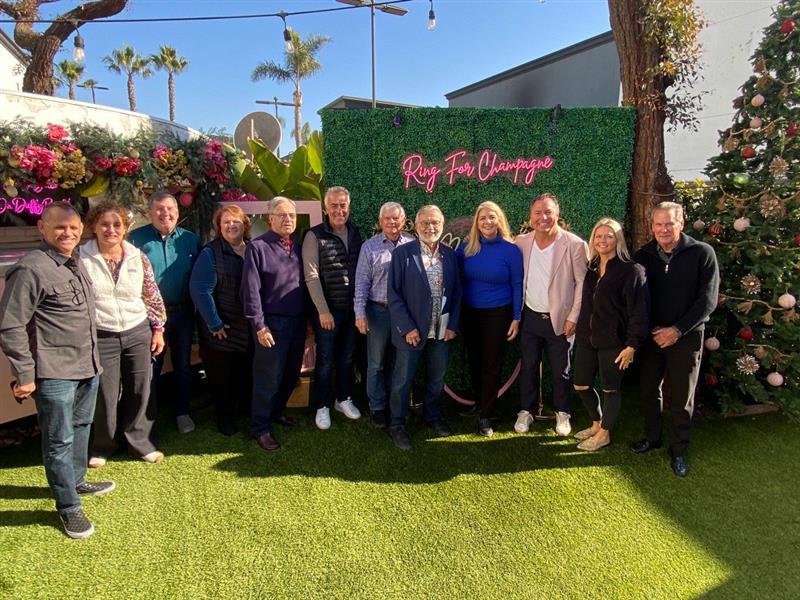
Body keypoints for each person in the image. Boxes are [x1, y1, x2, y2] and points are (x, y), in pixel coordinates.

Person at [0, 202, 114, 539]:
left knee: (80, 427)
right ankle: (68, 506)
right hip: (54, 373)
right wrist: (24, 374)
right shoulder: (30, 269)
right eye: (60, 227)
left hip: (87, 365)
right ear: (42, 228)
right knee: (58, 439)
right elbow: (11, 326)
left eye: (74, 228)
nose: (68, 233)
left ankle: (75, 481)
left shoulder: (74, 262)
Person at [631, 201, 719, 477]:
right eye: (658, 224)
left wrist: (677, 330)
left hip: (687, 336)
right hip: (653, 337)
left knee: (682, 396)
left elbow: (707, 300)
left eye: (669, 223)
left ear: (681, 223)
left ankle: (679, 450)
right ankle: (652, 437)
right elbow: (637, 297)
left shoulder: (702, 253)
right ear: (652, 226)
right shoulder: (643, 255)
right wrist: (652, 330)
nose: (663, 229)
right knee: (648, 390)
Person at [80, 202, 167, 468]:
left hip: (137, 330)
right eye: (105, 224)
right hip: (102, 334)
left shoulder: (137, 256)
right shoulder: (81, 257)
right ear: (94, 227)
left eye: (117, 225)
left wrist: (158, 329)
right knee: (104, 394)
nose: (111, 230)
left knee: (140, 389)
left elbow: (151, 295)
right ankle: (103, 446)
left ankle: (139, 444)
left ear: (125, 228)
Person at [387, 205, 462, 450]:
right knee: (402, 380)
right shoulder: (403, 254)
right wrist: (407, 327)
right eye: (425, 223)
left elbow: (457, 292)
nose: (430, 227)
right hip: (412, 332)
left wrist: (452, 325)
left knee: (436, 378)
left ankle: (432, 416)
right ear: (416, 226)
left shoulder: (449, 254)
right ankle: (397, 424)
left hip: (441, 331)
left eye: (435, 222)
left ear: (442, 224)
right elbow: (394, 295)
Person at [514, 193, 588, 437]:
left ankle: (563, 412)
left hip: (561, 320)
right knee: (528, 367)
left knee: (560, 371)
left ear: (557, 214)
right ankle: (526, 411)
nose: (543, 217)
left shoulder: (574, 244)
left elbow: (582, 283)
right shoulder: (521, 242)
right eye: (538, 212)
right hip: (530, 317)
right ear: (531, 216)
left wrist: (573, 317)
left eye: (548, 212)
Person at [572, 218, 649, 451]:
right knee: (580, 384)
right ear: (593, 240)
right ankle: (596, 423)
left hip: (614, 341)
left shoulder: (631, 270)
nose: (602, 240)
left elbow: (639, 310)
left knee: (610, 389)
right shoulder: (592, 268)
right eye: (598, 236)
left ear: (618, 240)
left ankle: (604, 434)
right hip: (587, 338)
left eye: (609, 235)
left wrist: (632, 345)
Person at [129, 191, 201, 434]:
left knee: (183, 365)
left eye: (170, 209)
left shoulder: (190, 240)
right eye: (159, 209)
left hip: (183, 313)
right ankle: (148, 417)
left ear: (178, 213)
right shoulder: (135, 240)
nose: (165, 214)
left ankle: (182, 412)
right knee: (151, 367)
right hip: (148, 317)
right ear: (150, 212)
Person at [242, 197, 307, 452]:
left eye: (291, 215)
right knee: (267, 378)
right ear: (270, 219)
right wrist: (260, 325)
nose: (287, 219)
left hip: (297, 322)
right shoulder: (257, 248)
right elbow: (251, 290)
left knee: (290, 374)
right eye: (282, 215)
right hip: (271, 324)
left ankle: (276, 412)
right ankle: (260, 427)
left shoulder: (299, 248)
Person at [456, 201, 523, 437]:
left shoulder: (511, 250)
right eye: (482, 218)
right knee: (475, 362)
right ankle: (481, 402)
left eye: (491, 217)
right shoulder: (466, 248)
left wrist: (516, 317)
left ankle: (486, 415)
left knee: (491, 364)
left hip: (499, 313)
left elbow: (517, 284)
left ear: (499, 220)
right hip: (470, 312)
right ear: (477, 222)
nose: (487, 221)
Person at [302, 186, 363, 430]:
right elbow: (311, 275)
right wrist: (322, 310)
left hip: (352, 309)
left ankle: (343, 399)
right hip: (328, 310)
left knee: (347, 357)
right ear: (326, 208)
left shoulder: (355, 233)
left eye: (343, 205)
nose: (339, 210)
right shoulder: (314, 235)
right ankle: (322, 405)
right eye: (334, 205)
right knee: (326, 360)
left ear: (349, 207)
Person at [190, 204, 253, 436]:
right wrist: (214, 322)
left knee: (243, 372)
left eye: (236, 221)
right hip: (222, 328)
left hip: (246, 326)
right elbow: (200, 289)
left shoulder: (253, 249)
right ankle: (224, 418)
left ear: (245, 224)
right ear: (219, 227)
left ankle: (242, 410)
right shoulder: (211, 253)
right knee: (221, 376)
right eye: (226, 222)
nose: (231, 225)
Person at [354, 201, 414, 428]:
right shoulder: (369, 247)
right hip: (378, 311)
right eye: (387, 218)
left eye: (396, 218)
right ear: (380, 222)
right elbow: (361, 283)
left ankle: (396, 404)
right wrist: (360, 313)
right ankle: (377, 407)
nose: (392, 222)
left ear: (403, 220)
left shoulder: (413, 244)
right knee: (376, 363)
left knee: (400, 362)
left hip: (404, 314)